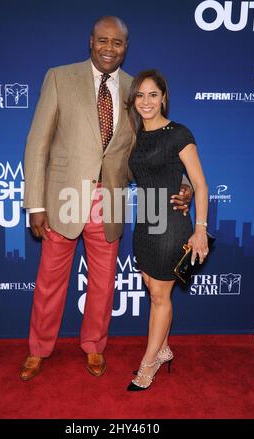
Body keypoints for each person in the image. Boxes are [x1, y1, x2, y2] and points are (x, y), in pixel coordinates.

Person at [20, 17, 192, 381]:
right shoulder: (58, 77)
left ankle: (94, 346)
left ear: (125, 47)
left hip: (110, 198)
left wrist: (182, 181)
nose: (109, 48)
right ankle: (38, 350)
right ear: (91, 42)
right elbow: (37, 144)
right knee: (50, 280)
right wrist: (35, 204)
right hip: (62, 196)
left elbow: (151, 145)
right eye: (103, 40)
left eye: (117, 42)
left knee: (102, 281)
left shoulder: (135, 89)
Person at [126, 69, 208, 391]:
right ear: (133, 99)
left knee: (160, 297)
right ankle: (163, 348)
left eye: (153, 95)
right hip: (144, 223)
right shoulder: (135, 135)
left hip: (171, 226)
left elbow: (200, 183)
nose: (146, 102)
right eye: (141, 95)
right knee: (152, 286)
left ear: (164, 98)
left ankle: (149, 364)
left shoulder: (179, 133)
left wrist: (200, 229)